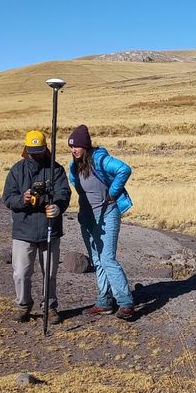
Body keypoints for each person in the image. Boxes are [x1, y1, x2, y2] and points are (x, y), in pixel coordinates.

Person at [67, 124, 136, 320]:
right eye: (71, 147)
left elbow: (124, 169)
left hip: (107, 215)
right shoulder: (75, 165)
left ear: (86, 146)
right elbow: (75, 182)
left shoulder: (99, 159)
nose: (73, 150)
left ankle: (126, 302)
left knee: (107, 259)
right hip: (88, 218)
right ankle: (104, 301)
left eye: (77, 146)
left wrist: (112, 193)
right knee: (97, 260)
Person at [2, 130, 71, 324]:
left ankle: (50, 306)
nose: (35, 155)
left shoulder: (55, 169)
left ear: (45, 149)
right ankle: (23, 305)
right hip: (23, 231)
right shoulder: (17, 170)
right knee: (21, 272)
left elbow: (64, 193)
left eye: (38, 151)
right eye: (32, 151)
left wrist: (57, 206)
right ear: (25, 150)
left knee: (49, 272)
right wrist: (22, 200)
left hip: (50, 228)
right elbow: (7, 198)